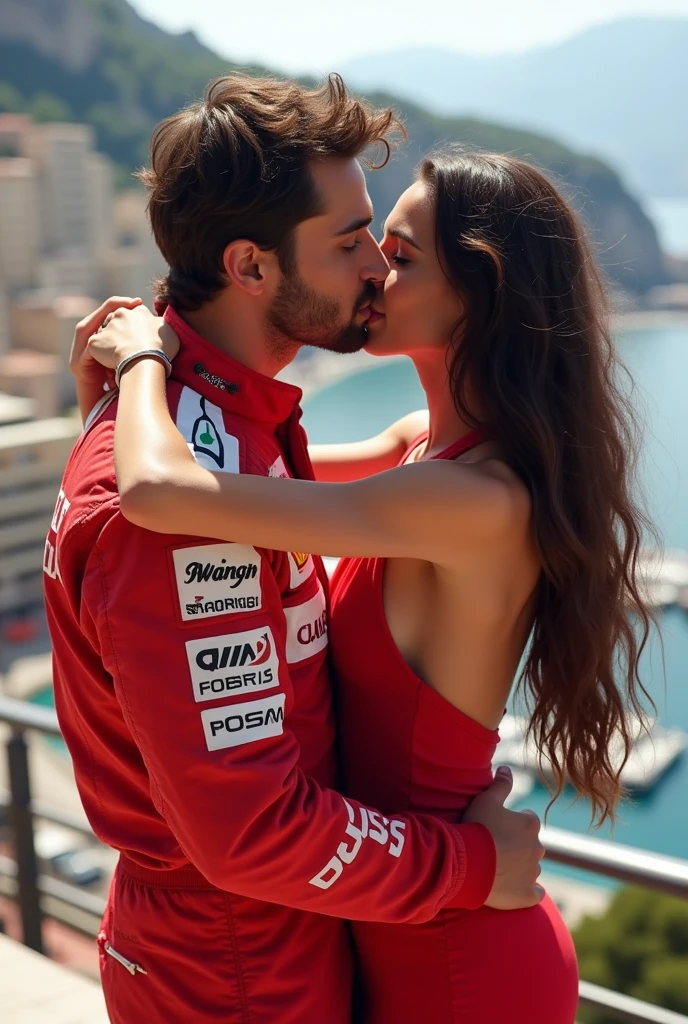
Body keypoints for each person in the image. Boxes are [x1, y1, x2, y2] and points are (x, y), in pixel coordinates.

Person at [89, 148, 654, 1024]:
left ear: (480, 291)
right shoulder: (418, 448)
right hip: (403, 911)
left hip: (459, 949)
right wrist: (126, 398)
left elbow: (164, 493)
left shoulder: (470, 498)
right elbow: (253, 474)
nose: (374, 270)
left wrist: (138, 364)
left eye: (402, 253)